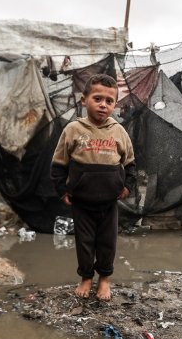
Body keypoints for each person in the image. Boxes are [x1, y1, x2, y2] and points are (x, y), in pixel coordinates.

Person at [51, 74, 136, 301]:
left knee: (107, 243)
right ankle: (86, 278)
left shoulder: (119, 132)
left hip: (109, 203)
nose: (103, 105)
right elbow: (58, 165)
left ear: (115, 104)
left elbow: (130, 164)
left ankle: (104, 280)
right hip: (82, 202)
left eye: (109, 101)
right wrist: (62, 191)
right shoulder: (73, 130)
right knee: (85, 244)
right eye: (97, 98)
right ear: (84, 100)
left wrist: (127, 186)